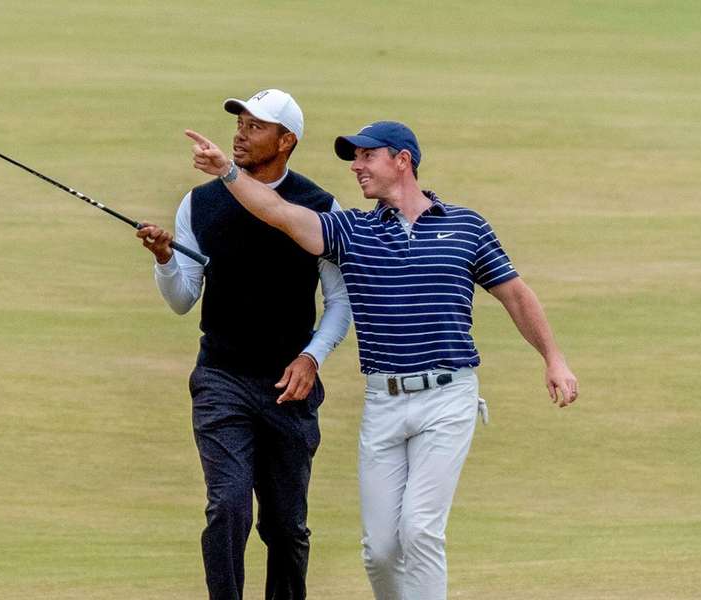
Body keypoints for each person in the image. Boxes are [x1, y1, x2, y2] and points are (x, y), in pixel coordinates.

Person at [184, 120, 579, 600]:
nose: (356, 167)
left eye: (367, 156)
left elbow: (515, 295)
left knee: (418, 530)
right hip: (384, 403)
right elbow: (281, 214)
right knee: (381, 550)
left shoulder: (466, 226)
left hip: (448, 398)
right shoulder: (353, 230)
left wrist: (553, 359)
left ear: (402, 160)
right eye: (354, 158)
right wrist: (228, 171)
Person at [136, 89, 351, 600]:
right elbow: (183, 299)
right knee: (227, 506)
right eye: (240, 123)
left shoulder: (321, 207)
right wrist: (166, 258)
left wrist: (310, 358)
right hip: (221, 377)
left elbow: (339, 303)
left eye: (256, 127)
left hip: (288, 387)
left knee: (285, 526)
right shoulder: (200, 202)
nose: (240, 133)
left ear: (286, 141)